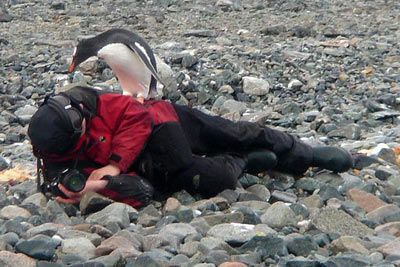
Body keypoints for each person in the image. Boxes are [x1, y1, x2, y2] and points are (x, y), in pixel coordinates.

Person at [27, 85, 353, 208]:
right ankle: (245, 161)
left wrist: (113, 163)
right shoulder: (64, 169)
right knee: (216, 180)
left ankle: (303, 154)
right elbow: (141, 193)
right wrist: (100, 187)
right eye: (78, 124)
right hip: (157, 162)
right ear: (69, 142)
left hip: (164, 121)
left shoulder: (80, 103)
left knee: (238, 131)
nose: (81, 116)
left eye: (77, 114)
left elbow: (136, 114)